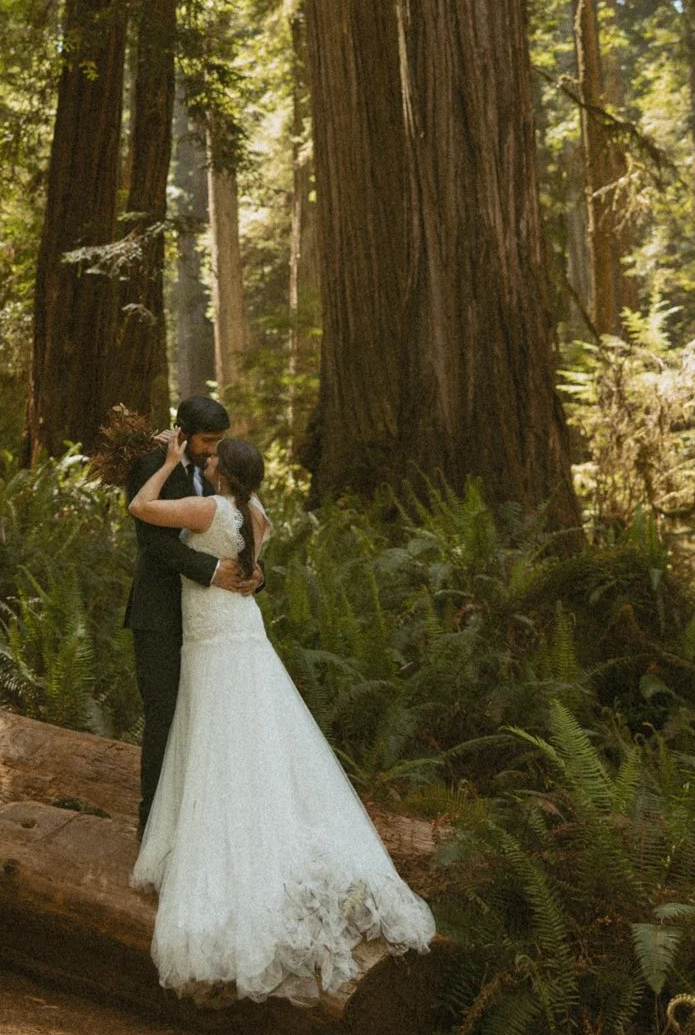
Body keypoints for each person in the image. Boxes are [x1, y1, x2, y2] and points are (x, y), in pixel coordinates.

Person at [125, 426, 434, 1005]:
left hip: (212, 636)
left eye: (214, 455)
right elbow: (250, 563)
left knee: (213, 733)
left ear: (223, 472)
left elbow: (141, 508)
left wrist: (168, 461)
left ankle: (225, 841)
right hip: (242, 631)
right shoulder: (257, 513)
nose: (206, 457)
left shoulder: (205, 507)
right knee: (256, 733)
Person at [121, 395, 260, 836]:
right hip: (159, 614)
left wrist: (256, 573)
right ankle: (153, 829)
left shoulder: (216, 474)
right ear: (183, 432)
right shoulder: (149, 465)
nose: (211, 451)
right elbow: (154, 543)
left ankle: (202, 824)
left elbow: (237, 531)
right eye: (206, 441)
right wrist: (211, 571)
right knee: (163, 717)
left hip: (208, 620)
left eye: (217, 443)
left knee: (204, 719)